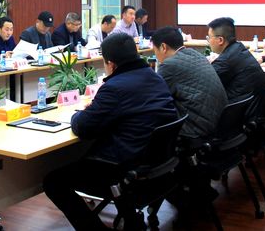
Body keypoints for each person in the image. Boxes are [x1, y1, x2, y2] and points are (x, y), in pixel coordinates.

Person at [43, 33, 177, 230]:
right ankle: (130, 219)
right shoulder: (155, 77)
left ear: (111, 64)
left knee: (53, 182)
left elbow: (83, 128)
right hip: (157, 166)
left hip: (124, 169)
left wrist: (78, 115)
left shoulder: (114, 87)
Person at [152, 26, 227, 140]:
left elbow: (154, 97)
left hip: (197, 128)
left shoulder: (169, 65)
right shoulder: (196, 54)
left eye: (155, 50)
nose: (156, 55)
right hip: (219, 122)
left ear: (163, 47)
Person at [207, 17, 265, 101]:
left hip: (239, 106)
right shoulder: (239, 49)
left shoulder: (225, 60)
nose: (208, 41)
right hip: (256, 103)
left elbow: (204, 82)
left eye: (209, 37)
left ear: (220, 40)